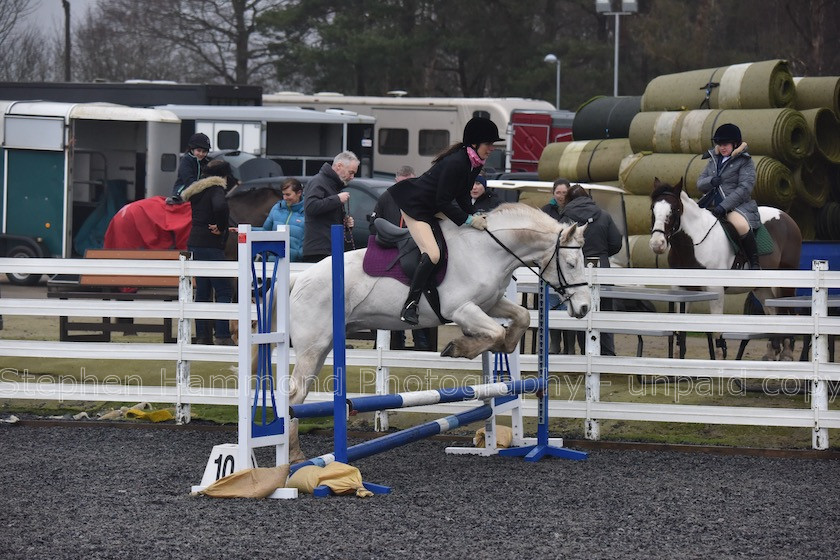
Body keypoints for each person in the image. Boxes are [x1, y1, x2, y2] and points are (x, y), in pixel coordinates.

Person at [388, 116, 503, 325]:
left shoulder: (473, 163)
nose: (492, 148)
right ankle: (410, 304)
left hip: (432, 208)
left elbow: (461, 196)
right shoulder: (456, 162)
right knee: (433, 254)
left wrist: (474, 214)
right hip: (415, 208)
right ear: (475, 143)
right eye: (489, 144)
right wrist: (468, 219)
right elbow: (443, 201)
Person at [368, 165, 433, 351]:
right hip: (393, 251)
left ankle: (422, 344)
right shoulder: (386, 197)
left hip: (418, 249)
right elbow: (374, 224)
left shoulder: (423, 198)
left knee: (421, 288)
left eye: (409, 183)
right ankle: (395, 343)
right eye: (401, 184)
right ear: (396, 182)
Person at [557, 184, 623, 356]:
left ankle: (587, 352)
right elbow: (616, 243)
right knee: (604, 312)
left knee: (581, 310)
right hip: (602, 267)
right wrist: (602, 253)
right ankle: (607, 354)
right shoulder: (604, 215)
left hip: (576, 268)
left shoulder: (566, 218)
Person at [182, 159, 234, 345]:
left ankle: (202, 336)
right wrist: (221, 226)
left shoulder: (197, 191)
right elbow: (220, 206)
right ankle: (222, 335)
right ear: (223, 176)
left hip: (194, 242)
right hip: (210, 244)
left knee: (203, 292)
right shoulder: (216, 189)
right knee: (223, 290)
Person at [697, 123, 761, 270]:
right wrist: (710, 181)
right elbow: (700, 184)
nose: (722, 147)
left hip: (735, 206)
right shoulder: (713, 160)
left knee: (741, 225)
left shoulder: (745, 161)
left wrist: (724, 206)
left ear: (735, 143)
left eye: (725, 144)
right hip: (710, 203)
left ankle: (754, 262)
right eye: (719, 144)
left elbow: (745, 189)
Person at [302, 151, 359, 263]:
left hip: (330, 248)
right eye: (350, 172)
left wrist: (345, 224)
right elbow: (311, 207)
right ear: (339, 166)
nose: (352, 177)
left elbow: (328, 215)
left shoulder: (334, 184)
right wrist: (337, 199)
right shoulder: (318, 181)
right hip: (319, 250)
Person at [259, 178, 305, 262]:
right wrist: (247, 230)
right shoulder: (276, 208)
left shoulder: (308, 211)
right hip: (273, 262)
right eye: (283, 194)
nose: (284, 198)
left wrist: (299, 254)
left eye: (288, 194)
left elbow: (311, 238)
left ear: (299, 193)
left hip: (296, 264)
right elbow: (265, 231)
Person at [173, 132, 211, 197]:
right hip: (183, 191)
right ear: (192, 149)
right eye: (199, 150)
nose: (201, 154)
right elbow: (188, 180)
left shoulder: (206, 162)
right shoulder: (186, 160)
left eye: (204, 151)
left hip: (198, 191)